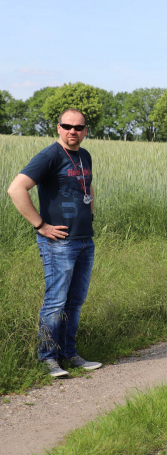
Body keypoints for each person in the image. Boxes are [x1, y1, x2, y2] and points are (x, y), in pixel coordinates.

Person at [7, 108, 102, 378]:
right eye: (67, 126)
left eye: (79, 127)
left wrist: (90, 215)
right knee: (56, 302)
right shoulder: (50, 155)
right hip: (59, 244)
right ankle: (47, 358)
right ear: (58, 128)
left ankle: (69, 354)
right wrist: (41, 226)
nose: (73, 131)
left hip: (84, 240)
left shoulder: (84, 155)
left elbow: (88, 186)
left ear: (85, 130)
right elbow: (16, 188)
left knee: (75, 302)